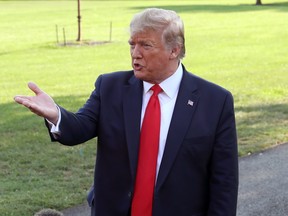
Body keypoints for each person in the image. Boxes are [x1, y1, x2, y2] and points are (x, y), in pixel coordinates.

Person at [14, 8, 238, 216]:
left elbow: (224, 181)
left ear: (174, 50)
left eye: (146, 45)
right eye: (132, 44)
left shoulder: (215, 101)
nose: (135, 53)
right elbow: (79, 129)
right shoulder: (110, 87)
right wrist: (55, 114)